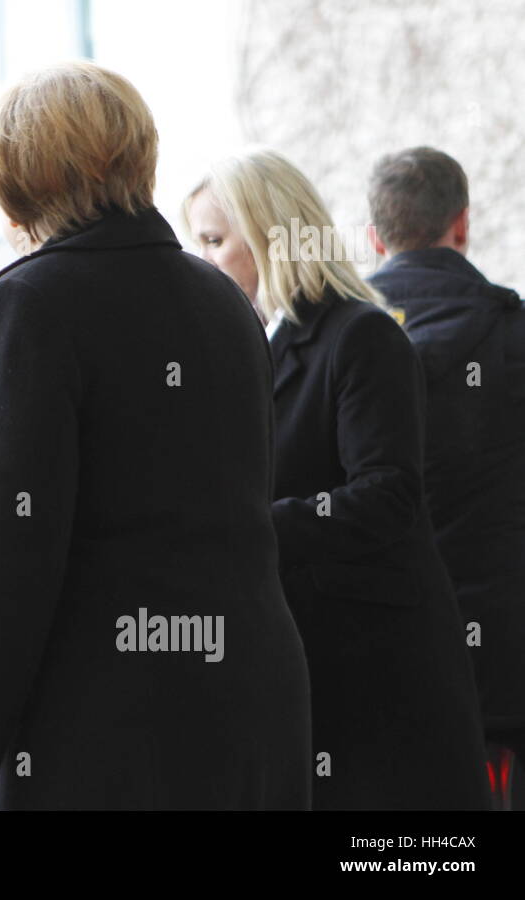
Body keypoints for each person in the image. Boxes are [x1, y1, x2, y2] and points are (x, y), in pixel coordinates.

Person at [0, 62, 311, 811]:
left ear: (19, 177)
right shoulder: (221, 297)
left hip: (106, 730)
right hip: (252, 703)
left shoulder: (29, 305)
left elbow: (5, 564)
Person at [184, 147, 489, 809]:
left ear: (271, 235)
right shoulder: (245, 347)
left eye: (212, 240)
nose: (200, 262)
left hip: (380, 669)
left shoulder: (361, 334)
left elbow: (387, 493)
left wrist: (245, 530)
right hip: (304, 663)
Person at [366, 146, 525, 782]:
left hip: (380, 647)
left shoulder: (329, 342)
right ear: (462, 223)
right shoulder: (510, 334)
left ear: (375, 238)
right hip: (504, 654)